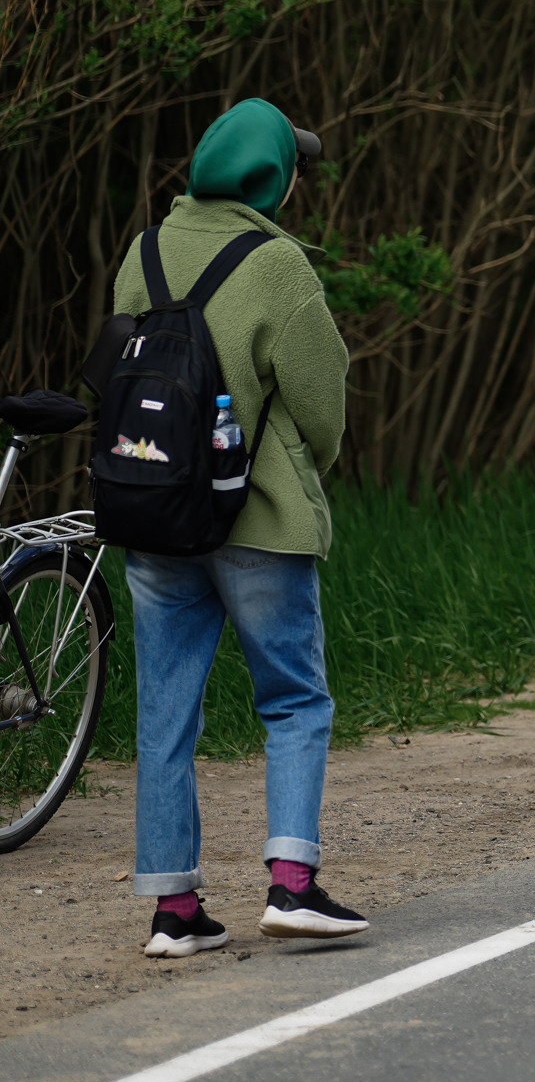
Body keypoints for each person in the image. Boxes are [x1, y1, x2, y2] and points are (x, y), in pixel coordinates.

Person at [112, 100, 366, 958]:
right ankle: (292, 887)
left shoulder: (141, 253)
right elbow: (321, 403)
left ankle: (173, 910)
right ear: (274, 178)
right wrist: (298, 468)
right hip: (258, 525)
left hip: (153, 517)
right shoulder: (278, 265)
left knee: (165, 716)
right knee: (294, 699)